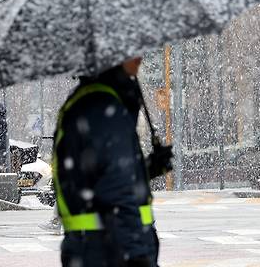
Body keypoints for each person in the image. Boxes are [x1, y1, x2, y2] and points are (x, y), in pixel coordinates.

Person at [54, 57, 172, 267]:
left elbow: (97, 177)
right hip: (110, 251)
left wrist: (146, 169)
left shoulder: (90, 102)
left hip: (94, 249)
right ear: (111, 58)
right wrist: (137, 257)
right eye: (132, 50)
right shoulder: (103, 109)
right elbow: (117, 194)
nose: (139, 56)